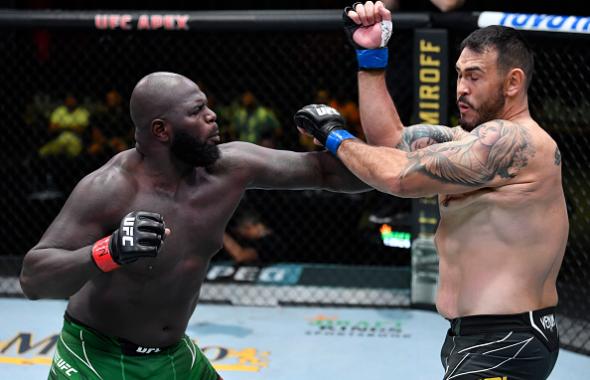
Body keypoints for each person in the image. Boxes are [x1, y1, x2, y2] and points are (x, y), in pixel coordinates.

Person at [19, 72, 368, 380]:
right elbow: (34, 278)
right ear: (161, 130)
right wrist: (108, 251)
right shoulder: (110, 188)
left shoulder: (230, 168)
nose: (212, 116)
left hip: (174, 357)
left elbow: (334, 175)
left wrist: (337, 139)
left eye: (207, 106)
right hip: (98, 358)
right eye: (196, 111)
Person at [294, 2, 568, 379]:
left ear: (513, 82)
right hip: (474, 338)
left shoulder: (515, 142)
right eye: (459, 75)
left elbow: (399, 178)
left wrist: (333, 136)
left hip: (507, 341)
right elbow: (390, 141)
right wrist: (371, 57)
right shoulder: (468, 140)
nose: (461, 88)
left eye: (474, 76)